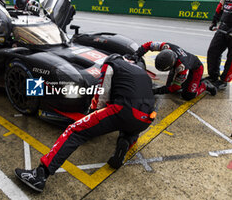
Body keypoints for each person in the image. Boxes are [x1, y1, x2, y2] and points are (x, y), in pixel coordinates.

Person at [15, 54, 156, 192]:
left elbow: (103, 95)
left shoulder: (111, 64)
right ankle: (126, 139)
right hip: (147, 118)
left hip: (124, 111)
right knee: (131, 123)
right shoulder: (139, 71)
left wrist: (92, 115)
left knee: (75, 130)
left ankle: (40, 174)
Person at [133, 41, 217, 100]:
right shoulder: (166, 46)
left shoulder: (181, 67)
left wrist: (155, 91)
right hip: (179, 64)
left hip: (196, 68)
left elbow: (175, 87)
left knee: (187, 95)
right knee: (170, 87)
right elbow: (149, 44)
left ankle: (205, 85)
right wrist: (137, 55)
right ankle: (188, 83)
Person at [207, 0, 232, 90]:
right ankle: (213, 76)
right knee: (213, 50)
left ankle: (223, 80)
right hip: (224, 26)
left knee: (231, 58)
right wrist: (215, 20)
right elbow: (221, 4)